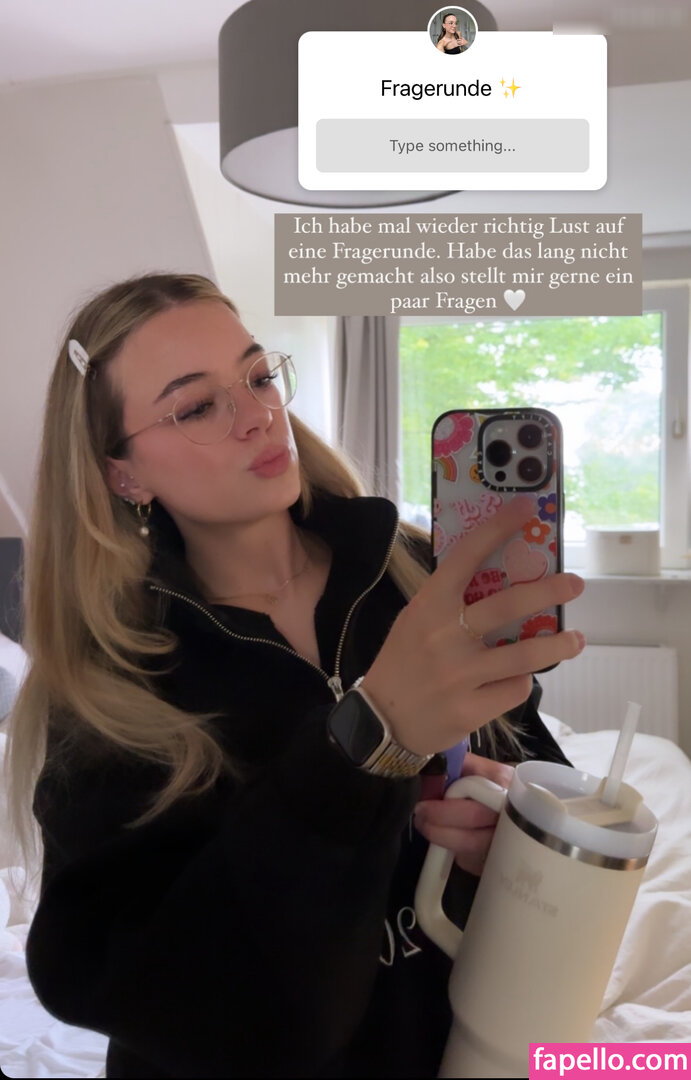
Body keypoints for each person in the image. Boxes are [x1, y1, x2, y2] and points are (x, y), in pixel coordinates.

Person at [8, 273, 585, 1079]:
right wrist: (367, 740)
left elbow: (539, 783)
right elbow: (152, 986)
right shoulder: (112, 683)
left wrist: (520, 847)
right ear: (124, 474)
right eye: (196, 407)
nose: (258, 414)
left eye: (257, 375)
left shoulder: (416, 577)